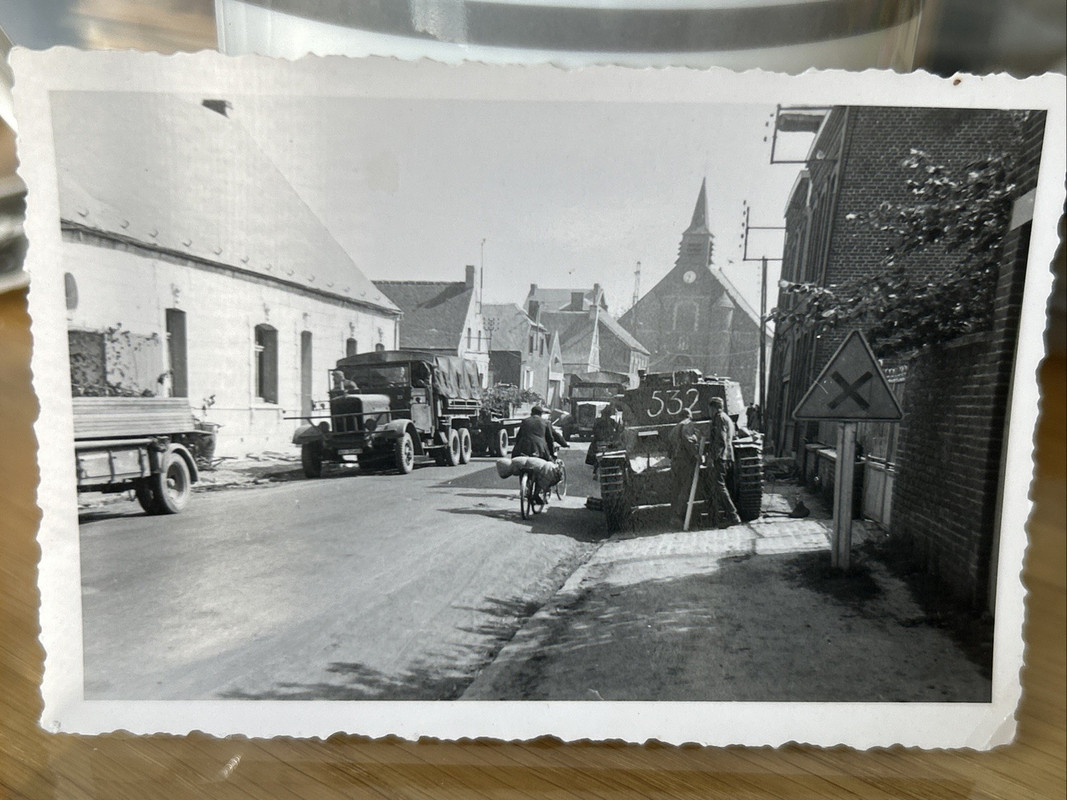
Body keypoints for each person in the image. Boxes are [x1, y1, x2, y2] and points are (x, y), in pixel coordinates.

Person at [706, 396, 741, 528]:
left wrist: (712, 457)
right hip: (726, 456)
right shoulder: (726, 418)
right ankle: (722, 515)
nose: (709, 412)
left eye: (710, 409)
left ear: (714, 408)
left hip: (720, 457)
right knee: (720, 486)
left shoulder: (719, 418)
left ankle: (733, 515)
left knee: (719, 486)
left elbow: (720, 440)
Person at [668, 408, 701, 526]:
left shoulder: (674, 429)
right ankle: (679, 515)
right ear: (689, 416)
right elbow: (689, 441)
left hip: (676, 462)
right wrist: (696, 454)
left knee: (676, 489)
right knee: (685, 488)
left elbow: (669, 450)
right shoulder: (687, 425)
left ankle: (674, 516)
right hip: (685, 461)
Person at [585, 404, 619, 474]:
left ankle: (595, 470)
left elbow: (594, 430)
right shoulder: (611, 421)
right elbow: (618, 430)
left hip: (599, 440)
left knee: (597, 455)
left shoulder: (598, 421)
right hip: (605, 440)